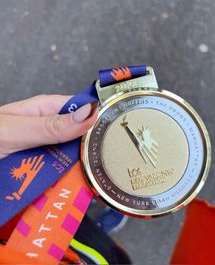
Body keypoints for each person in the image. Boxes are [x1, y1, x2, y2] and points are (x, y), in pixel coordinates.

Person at [0, 94, 131, 264]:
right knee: (110, 255)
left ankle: (83, 203)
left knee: (75, 214)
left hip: (19, 218)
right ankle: (99, 228)